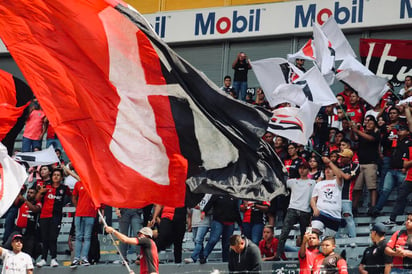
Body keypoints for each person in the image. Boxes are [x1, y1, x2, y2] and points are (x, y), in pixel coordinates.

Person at [277, 161, 316, 258]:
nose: (302, 170)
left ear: (308, 170)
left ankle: (306, 255)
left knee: (305, 235)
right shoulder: (293, 181)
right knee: (284, 233)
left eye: (304, 168)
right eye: (300, 168)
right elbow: (280, 180)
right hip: (292, 209)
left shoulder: (313, 182)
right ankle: (278, 254)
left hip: (305, 211)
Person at [36, 168, 72, 267]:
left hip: (56, 216)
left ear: (61, 177)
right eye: (54, 175)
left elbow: (72, 195)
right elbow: (37, 199)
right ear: (51, 177)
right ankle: (43, 259)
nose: (56, 176)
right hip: (44, 216)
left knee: (53, 237)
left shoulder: (64, 188)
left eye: (58, 175)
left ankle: (53, 258)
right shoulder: (46, 187)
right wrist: (40, 192)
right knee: (44, 238)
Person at [351, 118, 380, 214]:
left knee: (372, 187)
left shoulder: (376, 134)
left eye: (371, 123)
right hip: (360, 163)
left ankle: (373, 207)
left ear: (374, 125)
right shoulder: (362, 134)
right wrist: (353, 129)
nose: (368, 125)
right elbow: (354, 138)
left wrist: (357, 131)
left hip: (371, 163)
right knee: (357, 187)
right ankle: (354, 207)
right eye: (367, 123)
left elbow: (371, 139)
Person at [311, 157, 343, 237]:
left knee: (328, 239)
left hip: (334, 215)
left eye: (330, 169)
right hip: (321, 213)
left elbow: (339, 175)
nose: (327, 170)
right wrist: (315, 208)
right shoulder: (319, 184)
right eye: (326, 169)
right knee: (314, 232)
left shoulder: (337, 183)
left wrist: (329, 163)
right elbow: (313, 199)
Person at [70, 179, 99, 268]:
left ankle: (84, 258)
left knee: (87, 237)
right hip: (79, 214)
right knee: (78, 236)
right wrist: (78, 207)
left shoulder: (94, 184)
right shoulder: (78, 184)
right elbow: (74, 197)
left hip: (90, 214)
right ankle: (76, 258)